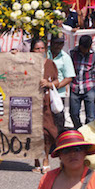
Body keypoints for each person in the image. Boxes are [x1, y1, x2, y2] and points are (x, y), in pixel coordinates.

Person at [33, 39, 64, 174]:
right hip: (32, 103)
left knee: (47, 132)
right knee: (34, 132)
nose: (40, 51)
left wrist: (49, 84)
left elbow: (57, 80)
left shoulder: (51, 64)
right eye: (36, 49)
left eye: (41, 48)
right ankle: (36, 160)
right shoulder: (28, 63)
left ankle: (45, 158)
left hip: (46, 102)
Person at [69, 35, 95, 129]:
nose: (84, 50)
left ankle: (89, 133)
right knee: (73, 113)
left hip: (89, 87)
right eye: (83, 48)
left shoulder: (94, 55)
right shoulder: (72, 53)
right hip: (75, 86)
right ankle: (79, 130)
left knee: (91, 116)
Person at [47, 36, 74, 133]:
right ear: (51, 42)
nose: (58, 46)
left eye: (61, 43)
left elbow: (69, 77)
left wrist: (55, 86)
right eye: (56, 43)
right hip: (44, 92)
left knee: (58, 121)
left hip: (58, 94)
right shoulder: (44, 53)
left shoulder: (65, 57)